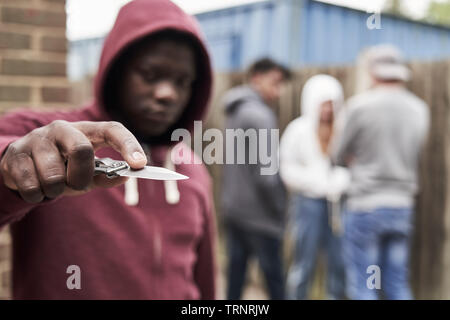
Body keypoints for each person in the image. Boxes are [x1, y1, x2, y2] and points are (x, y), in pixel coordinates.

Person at [0, 0, 216, 299]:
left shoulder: (192, 171)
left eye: (182, 81)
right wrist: (10, 167)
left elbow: (204, 281)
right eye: (150, 74)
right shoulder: (49, 139)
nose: (168, 93)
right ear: (116, 72)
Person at [331, 44, 430, 300]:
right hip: (402, 206)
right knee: (397, 284)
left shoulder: (359, 107)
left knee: (364, 286)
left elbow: (337, 155)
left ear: (373, 72)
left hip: (365, 205)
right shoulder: (419, 109)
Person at [221, 58, 290, 300]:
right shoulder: (260, 116)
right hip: (260, 216)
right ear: (257, 78)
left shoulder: (236, 110)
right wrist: (280, 208)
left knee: (236, 276)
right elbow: (266, 175)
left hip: (235, 209)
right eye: (275, 82)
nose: (279, 91)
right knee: (275, 281)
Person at [280, 74, 350, 300]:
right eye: (323, 104)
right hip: (306, 204)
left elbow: (353, 164)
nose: (328, 110)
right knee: (303, 263)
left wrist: (343, 179)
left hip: (337, 205)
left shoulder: (343, 130)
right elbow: (287, 169)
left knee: (338, 263)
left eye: (332, 104)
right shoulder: (297, 131)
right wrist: (314, 181)